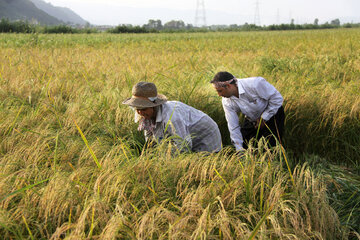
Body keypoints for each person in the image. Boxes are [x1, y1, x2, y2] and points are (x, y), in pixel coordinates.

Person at [123, 81, 222, 153]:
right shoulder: (142, 113)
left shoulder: (172, 117)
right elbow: (150, 140)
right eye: (137, 108)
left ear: (154, 106)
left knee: (202, 165)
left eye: (143, 109)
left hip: (205, 135)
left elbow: (184, 146)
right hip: (186, 134)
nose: (140, 112)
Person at [210, 71, 285, 151]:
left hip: (273, 114)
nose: (219, 95)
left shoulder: (255, 83)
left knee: (269, 147)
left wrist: (264, 117)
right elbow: (233, 125)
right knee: (245, 144)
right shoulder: (226, 101)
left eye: (220, 91)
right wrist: (239, 149)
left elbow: (277, 99)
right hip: (252, 118)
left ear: (228, 86)